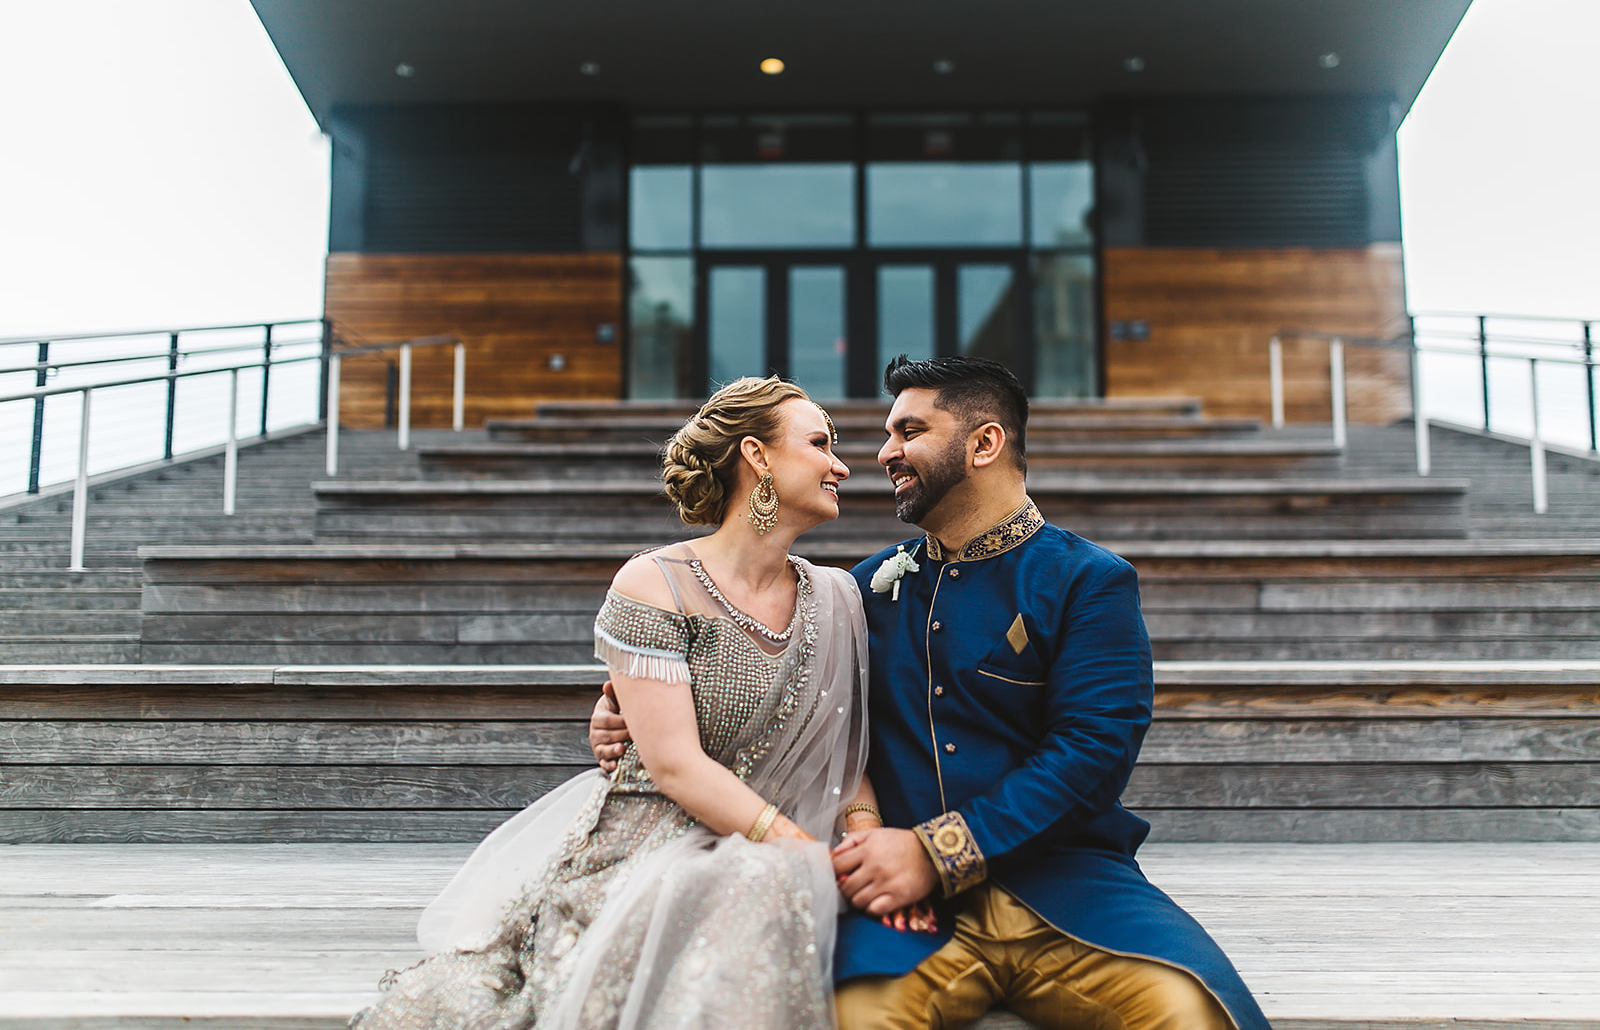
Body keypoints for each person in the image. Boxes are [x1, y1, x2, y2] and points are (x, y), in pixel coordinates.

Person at [593, 357, 1271, 1030]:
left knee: (1194, 1013)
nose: (884, 452)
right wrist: (620, 702)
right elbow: (743, 657)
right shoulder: (859, 590)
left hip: (1069, 891)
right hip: (906, 916)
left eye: (909, 430)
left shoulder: (1087, 581)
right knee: (848, 1016)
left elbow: (1093, 751)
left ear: (984, 443)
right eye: (888, 434)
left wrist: (936, 852)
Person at [353, 376, 881, 1030]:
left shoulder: (839, 596)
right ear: (757, 456)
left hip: (783, 844)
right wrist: (799, 846)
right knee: (755, 881)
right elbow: (675, 765)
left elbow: (849, 755)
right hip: (653, 839)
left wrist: (868, 846)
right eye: (821, 443)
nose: (841, 464)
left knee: (768, 880)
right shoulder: (655, 584)